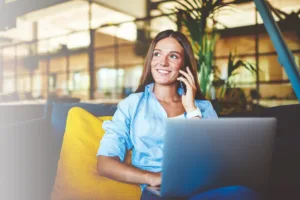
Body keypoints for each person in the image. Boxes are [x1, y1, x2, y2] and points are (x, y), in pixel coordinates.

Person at [97, 30, 261, 200]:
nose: (163, 62)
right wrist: (152, 177)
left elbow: (214, 161)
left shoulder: (203, 108)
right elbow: (105, 163)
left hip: (202, 189)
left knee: (245, 194)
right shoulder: (133, 104)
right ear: (150, 60)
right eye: (157, 54)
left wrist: (192, 110)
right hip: (159, 192)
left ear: (184, 65)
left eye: (173, 56)